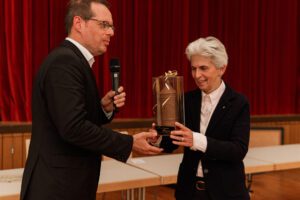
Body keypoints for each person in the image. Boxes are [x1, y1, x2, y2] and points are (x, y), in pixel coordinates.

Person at [20, 1, 162, 199]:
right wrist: (129, 143)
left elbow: (67, 117)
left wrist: (102, 108)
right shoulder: (65, 62)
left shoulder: (72, 60)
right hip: (58, 188)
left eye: (112, 26)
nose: (111, 32)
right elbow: (73, 128)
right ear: (79, 23)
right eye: (104, 24)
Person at [160, 36, 250, 199]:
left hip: (226, 193)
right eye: (193, 68)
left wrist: (196, 140)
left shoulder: (239, 103)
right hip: (189, 191)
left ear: (221, 68)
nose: (196, 75)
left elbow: (238, 151)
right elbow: (171, 143)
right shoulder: (186, 100)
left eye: (203, 68)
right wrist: (158, 137)